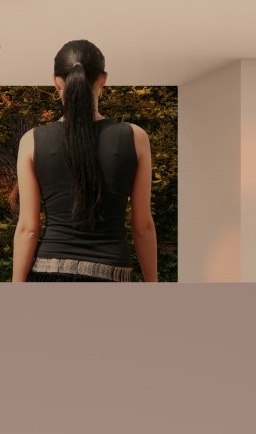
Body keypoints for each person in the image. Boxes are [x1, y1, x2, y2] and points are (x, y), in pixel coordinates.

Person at [8, 42, 158, 281]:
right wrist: (153, 285)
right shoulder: (135, 138)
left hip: (48, 276)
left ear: (57, 81)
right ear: (103, 79)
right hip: (112, 277)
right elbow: (142, 227)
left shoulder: (32, 141)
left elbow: (28, 229)